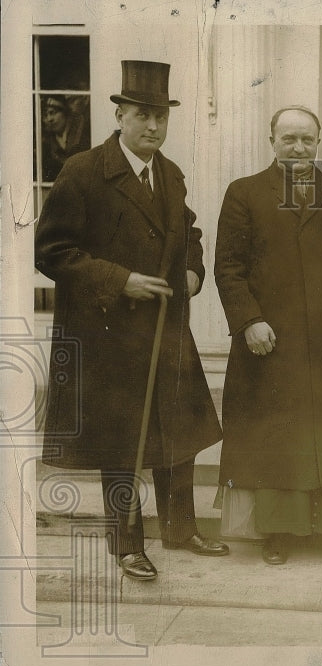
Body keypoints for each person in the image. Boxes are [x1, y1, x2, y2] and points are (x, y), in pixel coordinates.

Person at [35, 60, 229, 582]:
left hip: (166, 327)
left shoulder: (170, 174)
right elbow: (52, 252)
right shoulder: (83, 171)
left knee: (179, 433)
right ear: (119, 115)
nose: (153, 127)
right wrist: (120, 279)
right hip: (106, 334)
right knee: (121, 444)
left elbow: (189, 233)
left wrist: (192, 271)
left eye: (161, 117)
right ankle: (126, 544)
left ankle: (181, 530)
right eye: (142, 115)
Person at [215, 105, 322, 566]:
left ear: (319, 143)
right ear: (272, 143)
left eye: (307, 139)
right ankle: (277, 533)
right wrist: (248, 320)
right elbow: (229, 268)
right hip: (269, 342)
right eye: (289, 139)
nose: (299, 148)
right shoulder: (243, 194)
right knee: (278, 443)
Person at [39, 94, 89, 182]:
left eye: (52, 113)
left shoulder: (81, 135)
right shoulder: (46, 143)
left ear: (65, 113)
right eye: (45, 115)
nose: (49, 119)